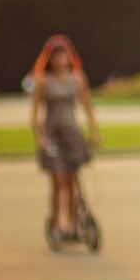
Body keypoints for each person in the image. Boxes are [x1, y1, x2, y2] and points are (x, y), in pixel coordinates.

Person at [30, 36, 100, 242]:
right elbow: (35, 116)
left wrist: (94, 131)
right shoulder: (43, 82)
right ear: (49, 59)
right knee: (58, 181)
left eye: (64, 54)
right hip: (53, 135)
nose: (61, 59)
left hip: (72, 133)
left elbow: (87, 106)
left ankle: (72, 225)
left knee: (72, 182)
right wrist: (40, 138)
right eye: (56, 55)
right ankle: (56, 221)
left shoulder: (77, 79)